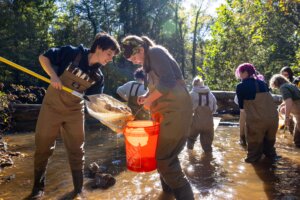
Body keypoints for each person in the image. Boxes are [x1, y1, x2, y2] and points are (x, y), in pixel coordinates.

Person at [29, 32, 120, 199]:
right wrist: (54, 76)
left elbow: (95, 101)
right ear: (98, 48)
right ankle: (38, 188)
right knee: (43, 147)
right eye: (109, 54)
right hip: (52, 107)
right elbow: (43, 58)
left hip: (75, 112)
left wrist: (114, 109)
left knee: (77, 150)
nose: (110, 59)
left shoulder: (98, 77)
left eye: (112, 56)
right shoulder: (72, 53)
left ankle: (78, 190)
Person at [121, 35, 194, 200]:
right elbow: (158, 86)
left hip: (175, 110)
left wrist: (149, 100)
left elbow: (168, 81)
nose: (134, 61)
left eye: (133, 57)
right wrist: (146, 96)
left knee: (164, 159)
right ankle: (167, 194)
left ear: (140, 49)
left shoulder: (154, 52)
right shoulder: (149, 64)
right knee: (161, 156)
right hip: (165, 112)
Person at [235, 63, 279, 163]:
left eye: (240, 72)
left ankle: (251, 175)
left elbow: (242, 108)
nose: (239, 75)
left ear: (246, 72)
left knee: (253, 155)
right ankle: (272, 170)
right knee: (269, 151)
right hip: (273, 119)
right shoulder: (263, 84)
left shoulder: (241, 86)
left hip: (257, 121)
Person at [187, 76, 217, 153]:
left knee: (190, 139)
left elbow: (188, 110)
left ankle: (190, 157)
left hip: (195, 123)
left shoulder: (191, 94)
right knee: (207, 146)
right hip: (208, 124)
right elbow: (214, 109)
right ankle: (208, 161)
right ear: (203, 84)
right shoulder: (211, 95)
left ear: (193, 85)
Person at [269, 74, 300, 148]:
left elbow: (289, 101)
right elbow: (291, 98)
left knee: (298, 137)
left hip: (298, 110)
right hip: (297, 112)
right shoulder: (290, 85)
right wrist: (282, 105)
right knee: (297, 139)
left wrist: (286, 117)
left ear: (275, 83)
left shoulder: (283, 88)